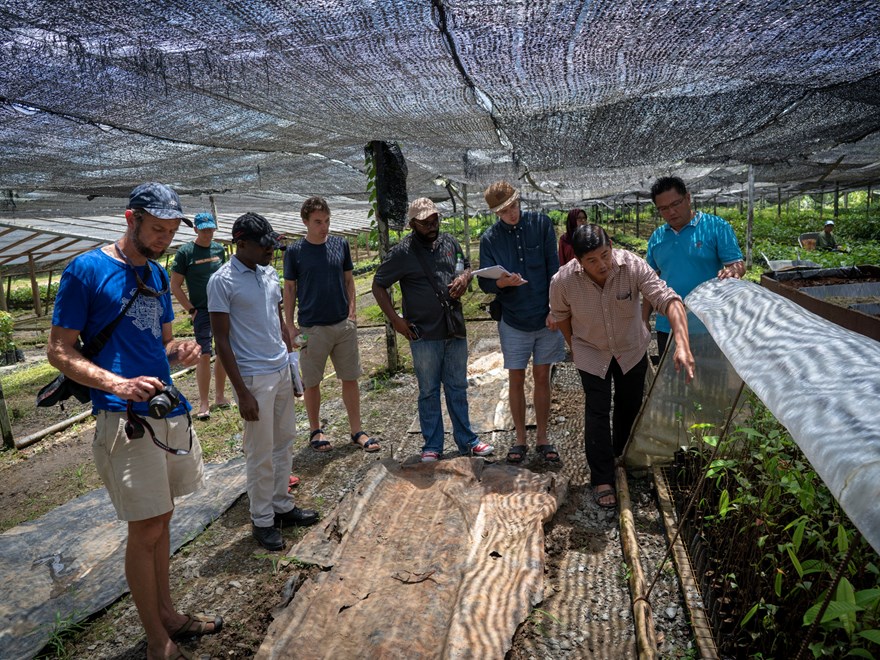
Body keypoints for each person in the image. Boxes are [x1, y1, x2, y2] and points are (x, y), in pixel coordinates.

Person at [47, 183, 221, 660]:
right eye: (157, 229)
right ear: (131, 218)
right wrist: (116, 384)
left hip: (165, 410)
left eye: (170, 231)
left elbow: (161, 347)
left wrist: (181, 350)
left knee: (162, 522)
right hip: (123, 418)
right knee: (145, 529)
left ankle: (168, 614)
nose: (164, 239)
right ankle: (156, 640)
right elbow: (59, 350)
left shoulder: (160, 276)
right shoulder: (87, 270)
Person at [550, 224, 695, 509]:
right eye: (592, 260)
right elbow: (560, 316)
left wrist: (683, 344)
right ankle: (602, 476)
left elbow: (668, 300)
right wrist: (575, 346)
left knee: (629, 404)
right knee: (597, 410)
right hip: (591, 352)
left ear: (611, 245)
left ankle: (623, 456)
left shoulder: (632, 266)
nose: (602, 264)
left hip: (631, 349)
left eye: (605, 255)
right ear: (578, 260)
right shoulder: (563, 281)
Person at [208, 213, 318, 552]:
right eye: (264, 245)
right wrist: (240, 392)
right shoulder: (222, 281)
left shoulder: (268, 273)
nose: (271, 251)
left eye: (272, 244)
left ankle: (282, 505)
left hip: (280, 371)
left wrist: (292, 364)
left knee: (284, 441)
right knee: (259, 452)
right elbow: (221, 340)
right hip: (254, 378)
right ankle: (262, 519)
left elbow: (279, 322)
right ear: (240, 244)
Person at [371, 198, 494, 462]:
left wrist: (464, 277)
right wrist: (395, 319)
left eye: (435, 220)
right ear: (412, 224)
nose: (432, 226)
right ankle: (432, 445)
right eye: (425, 223)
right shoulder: (403, 252)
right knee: (428, 390)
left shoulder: (450, 243)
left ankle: (467, 441)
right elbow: (378, 285)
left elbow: (465, 265)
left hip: (454, 328)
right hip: (424, 333)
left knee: (457, 387)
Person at [477, 180, 566, 464]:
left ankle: (542, 437)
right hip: (513, 319)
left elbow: (555, 270)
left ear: (519, 201)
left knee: (542, 376)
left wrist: (555, 309)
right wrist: (501, 282)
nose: (511, 213)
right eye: (504, 211)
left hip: (545, 316)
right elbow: (484, 283)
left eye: (513, 206)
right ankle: (519, 440)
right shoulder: (490, 239)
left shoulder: (541, 225)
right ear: (496, 213)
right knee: (515, 377)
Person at [282, 196, 378, 454]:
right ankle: (316, 430)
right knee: (312, 381)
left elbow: (349, 280)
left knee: (350, 377)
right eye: (317, 222)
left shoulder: (340, 245)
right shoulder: (295, 251)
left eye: (326, 221)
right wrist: (290, 326)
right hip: (311, 328)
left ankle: (357, 430)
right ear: (305, 222)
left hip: (342, 325)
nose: (324, 227)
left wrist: (352, 312)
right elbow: (289, 289)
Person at [643, 176, 745, 359]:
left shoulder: (716, 227)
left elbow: (736, 264)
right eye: (663, 209)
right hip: (668, 325)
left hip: (708, 324)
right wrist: (644, 319)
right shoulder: (657, 237)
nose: (671, 212)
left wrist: (734, 270)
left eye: (676, 204)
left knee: (710, 380)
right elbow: (651, 283)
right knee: (673, 381)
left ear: (688, 198)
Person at [170, 212, 231, 419]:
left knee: (223, 351)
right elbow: (175, 286)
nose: (208, 233)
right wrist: (191, 309)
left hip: (221, 308)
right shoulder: (186, 253)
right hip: (202, 311)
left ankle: (220, 397)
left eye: (210, 229)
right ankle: (203, 403)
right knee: (204, 355)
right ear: (195, 229)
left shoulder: (219, 249)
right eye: (204, 229)